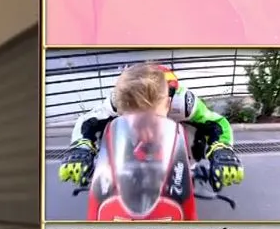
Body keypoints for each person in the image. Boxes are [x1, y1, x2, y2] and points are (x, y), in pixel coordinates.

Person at [58, 63, 244, 192]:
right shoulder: (117, 100)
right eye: (135, 120)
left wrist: (222, 152)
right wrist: (81, 149)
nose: (145, 129)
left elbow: (218, 123)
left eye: (151, 119)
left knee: (192, 135)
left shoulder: (184, 102)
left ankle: (186, 163)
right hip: (129, 152)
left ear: (168, 103)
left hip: (177, 146)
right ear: (121, 108)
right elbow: (86, 122)